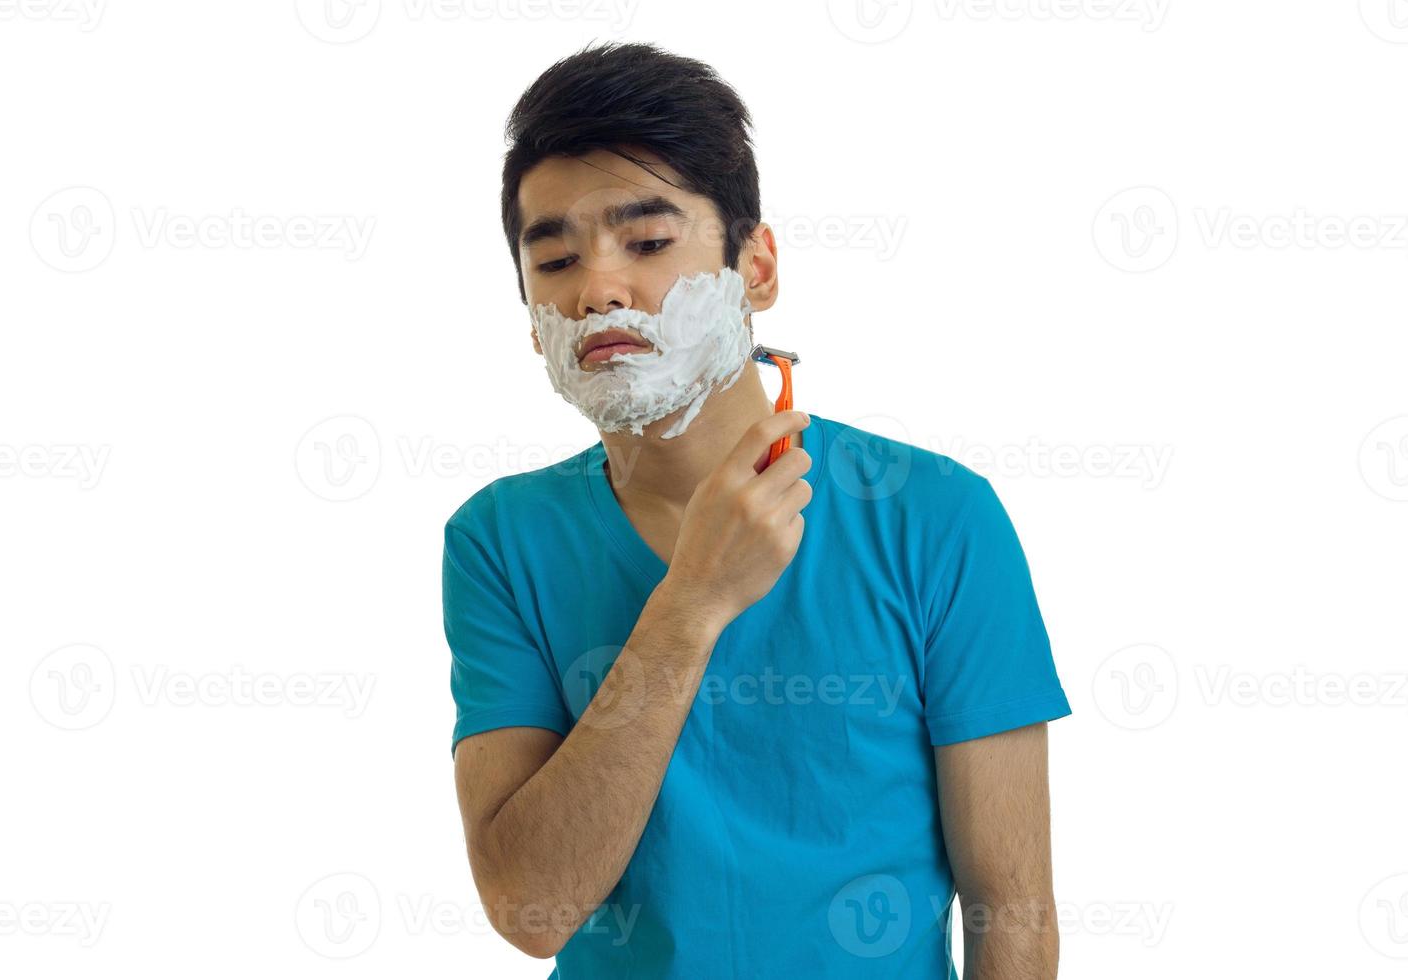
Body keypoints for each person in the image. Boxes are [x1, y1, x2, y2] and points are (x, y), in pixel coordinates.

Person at [444, 41, 1071, 979]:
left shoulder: (937, 517)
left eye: (649, 243)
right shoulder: (499, 539)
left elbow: (1012, 908)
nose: (599, 290)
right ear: (532, 321)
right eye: (557, 259)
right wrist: (691, 602)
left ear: (759, 269)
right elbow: (531, 907)